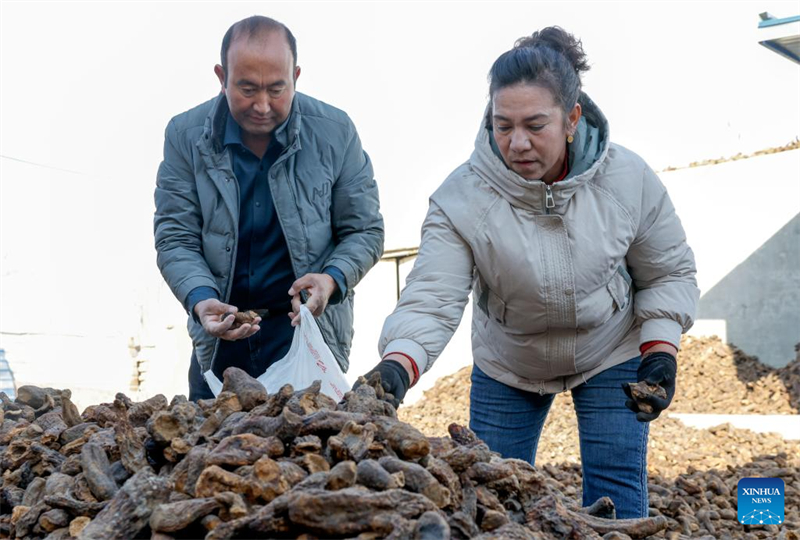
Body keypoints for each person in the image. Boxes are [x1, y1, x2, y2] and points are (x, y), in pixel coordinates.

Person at [361, 27, 698, 519]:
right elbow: (432, 296)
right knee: (496, 503)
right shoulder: (462, 199)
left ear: (572, 118)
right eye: (503, 125)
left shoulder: (629, 181)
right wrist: (397, 364)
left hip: (610, 351)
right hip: (509, 363)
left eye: (535, 125)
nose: (517, 143)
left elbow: (667, 273)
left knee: (618, 500)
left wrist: (662, 351)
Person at [154, 16, 384, 401]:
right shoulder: (185, 136)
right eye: (246, 89)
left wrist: (331, 279)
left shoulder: (335, 132)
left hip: (304, 337)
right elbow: (175, 237)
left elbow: (365, 231)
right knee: (207, 455)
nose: (262, 106)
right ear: (221, 77)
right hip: (220, 336)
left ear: (295, 76)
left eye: (277, 89)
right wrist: (199, 297)